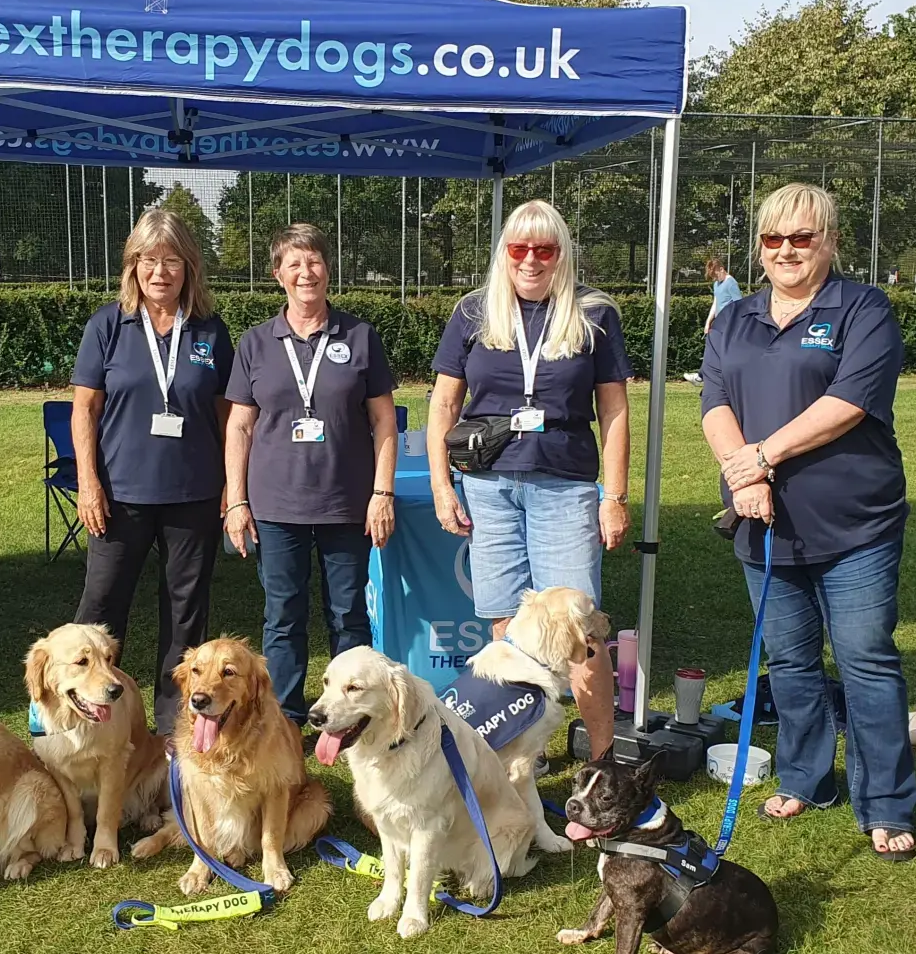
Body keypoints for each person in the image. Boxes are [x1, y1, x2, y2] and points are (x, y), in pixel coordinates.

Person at [701, 182, 916, 861]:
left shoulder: (863, 308)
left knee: (865, 660)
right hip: (761, 522)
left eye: (803, 237)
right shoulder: (733, 319)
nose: (788, 250)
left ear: (830, 242)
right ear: (759, 246)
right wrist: (746, 475)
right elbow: (714, 403)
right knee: (791, 660)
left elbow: (850, 403)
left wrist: (761, 458)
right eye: (774, 238)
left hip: (856, 522)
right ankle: (805, 777)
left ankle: (885, 804)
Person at [427, 199, 632, 759]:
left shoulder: (593, 313)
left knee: (583, 637)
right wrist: (445, 487)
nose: (532, 260)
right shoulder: (474, 312)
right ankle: (520, 762)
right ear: (504, 253)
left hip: (565, 487)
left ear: (561, 254)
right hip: (489, 488)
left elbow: (614, 411)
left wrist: (613, 496)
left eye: (545, 249)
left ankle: (601, 762)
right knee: (508, 636)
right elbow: (444, 404)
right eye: (519, 248)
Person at [223, 223, 398, 726]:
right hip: (276, 506)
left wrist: (381, 492)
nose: (306, 272)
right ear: (278, 274)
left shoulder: (360, 337)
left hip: (347, 505)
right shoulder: (255, 344)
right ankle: (283, 722)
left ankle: (358, 720)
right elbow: (239, 425)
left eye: (314, 261)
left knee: (348, 617)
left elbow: (385, 419)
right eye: (294, 264)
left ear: (328, 268)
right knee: (282, 619)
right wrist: (236, 501)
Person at [71, 207, 234, 735]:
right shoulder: (107, 325)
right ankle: (88, 717)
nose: (159, 272)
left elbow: (228, 413)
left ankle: (173, 726)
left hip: (194, 493)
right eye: (147, 260)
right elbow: (85, 410)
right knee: (100, 610)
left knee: (186, 614)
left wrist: (233, 485)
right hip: (120, 494)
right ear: (132, 266)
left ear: (189, 267)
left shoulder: (210, 329)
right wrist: (88, 483)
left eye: (170, 261)